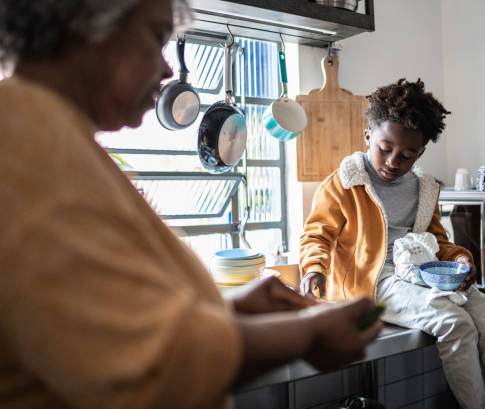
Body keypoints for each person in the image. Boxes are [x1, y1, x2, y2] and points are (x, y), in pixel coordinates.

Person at [0, 1, 382, 408]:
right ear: (85, 25)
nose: (167, 71)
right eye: (154, 37)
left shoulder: (51, 135)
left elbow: (87, 327)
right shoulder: (24, 140)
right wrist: (310, 332)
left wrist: (227, 307)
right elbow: (149, 366)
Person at [299, 79, 485, 409]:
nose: (393, 161)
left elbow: (437, 241)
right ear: (368, 137)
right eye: (385, 148)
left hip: (425, 276)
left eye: (407, 154)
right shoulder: (344, 183)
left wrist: (461, 259)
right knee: (454, 323)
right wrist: (314, 268)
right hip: (375, 281)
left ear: (421, 151)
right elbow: (316, 235)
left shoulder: (424, 187)